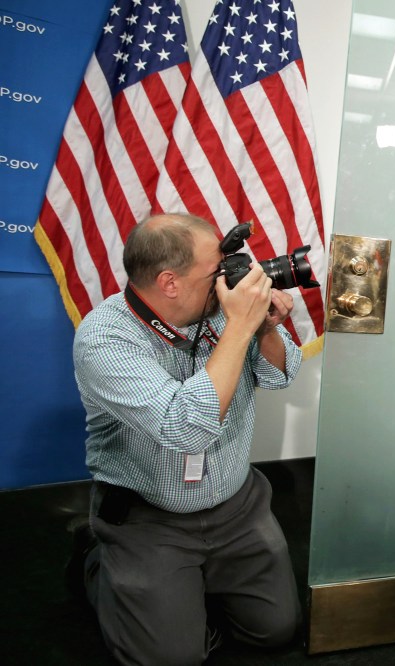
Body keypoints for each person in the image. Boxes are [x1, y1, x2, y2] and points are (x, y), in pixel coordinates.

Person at [68, 213, 303, 665]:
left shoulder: (214, 312)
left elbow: (281, 374)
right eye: (214, 273)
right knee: (173, 658)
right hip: (149, 518)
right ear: (169, 282)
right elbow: (184, 429)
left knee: (275, 632)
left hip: (237, 504)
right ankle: (96, 561)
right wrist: (239, 325)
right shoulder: (105, 338)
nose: (227, 283)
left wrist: (265, 326)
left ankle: (188, 589)